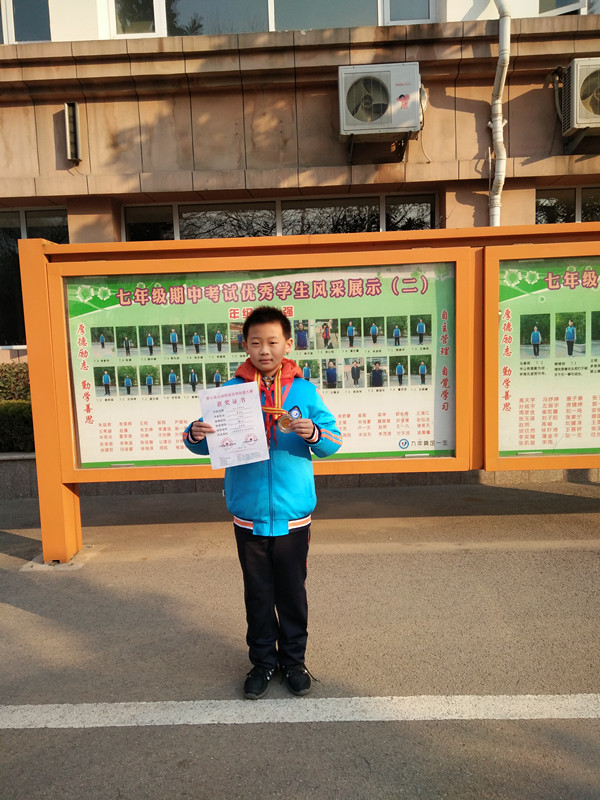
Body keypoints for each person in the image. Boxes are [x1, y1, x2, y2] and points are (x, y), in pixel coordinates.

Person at [183, 306, 341, 700]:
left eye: (272, 342)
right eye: (256, 342)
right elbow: (201, 443)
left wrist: (313, 432)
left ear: (288, 344)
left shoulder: (304, 391)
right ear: (245, 345)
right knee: (257, 594)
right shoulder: (229, 391)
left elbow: (333, 442)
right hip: (249, 514)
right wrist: (196, 434)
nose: (264, 350)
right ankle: (262, 662)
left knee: (292, 593)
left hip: (292, 515)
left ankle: (294, 662)